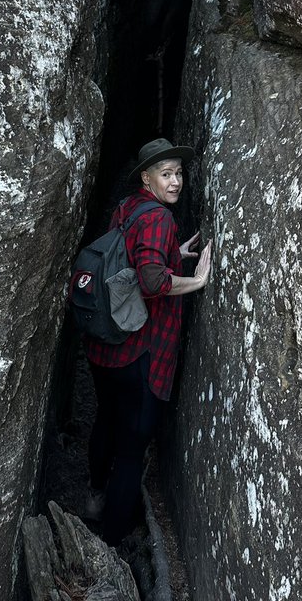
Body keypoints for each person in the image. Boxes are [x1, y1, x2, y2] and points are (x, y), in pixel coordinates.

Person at [81, 137, 213, 546]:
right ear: (147, 177)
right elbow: (151, 280)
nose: (176, 182)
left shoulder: (129, 207)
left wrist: (175, 251)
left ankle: (94, 498)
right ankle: (112, 540)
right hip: (141, 351)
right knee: (133, 448)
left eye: (179, 173)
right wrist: (196, 280)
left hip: (107, 346)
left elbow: (130, 257)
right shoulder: (159, 218)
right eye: (166, 173)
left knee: (106, 417)